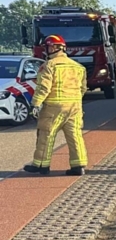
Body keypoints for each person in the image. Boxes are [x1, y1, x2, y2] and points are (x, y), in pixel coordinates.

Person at [23, 34, 88, 176]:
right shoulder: (78, 67)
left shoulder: (49, 66)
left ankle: (41, 165)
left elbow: (43, 88)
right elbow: (82, 89)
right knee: (75, 136)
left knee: (46, 134)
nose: (46, 50)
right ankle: (78, 166)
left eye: (47, 47)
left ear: (53, 48)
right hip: (75, 107)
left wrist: (35, 104)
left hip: (53, 107)